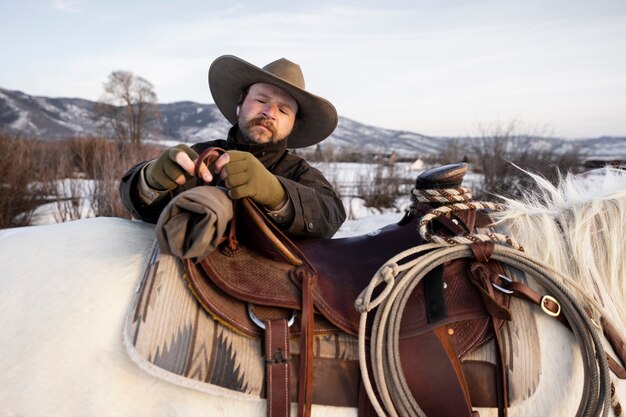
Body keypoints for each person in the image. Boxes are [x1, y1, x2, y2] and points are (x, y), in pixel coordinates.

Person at [119, 55, 346, 256]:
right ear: (240, 104)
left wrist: (275, 192)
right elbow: (140, 207)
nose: (269, 112)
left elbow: (331, 214)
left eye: (283, 110)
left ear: (293, 124)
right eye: (261, 100)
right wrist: (149, 181)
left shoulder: (300, 172)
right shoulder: (201, 157)